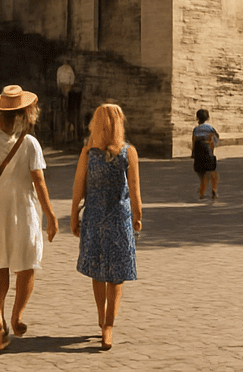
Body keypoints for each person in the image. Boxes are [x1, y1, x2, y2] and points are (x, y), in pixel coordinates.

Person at [0, 85, 59, 353]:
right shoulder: (30, 143)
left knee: (1, 264)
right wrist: (51, 216)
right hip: (24, 209)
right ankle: (17, 315)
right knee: (27, 264)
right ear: (22, 115)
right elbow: (39, 183)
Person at [72, 103, 142, 350]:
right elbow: (134, 189)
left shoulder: (88, 153)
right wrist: (138, 216)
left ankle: (104, 319)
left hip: (95, 216)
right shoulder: (127, 152)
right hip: (117, 218)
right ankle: (108, 324)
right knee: (115, 274)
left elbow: (78, 187)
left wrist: (73, 215)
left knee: (99, 271)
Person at [192, 109, 219, 200]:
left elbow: (194, 141)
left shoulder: (196, 129)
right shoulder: (210, 128)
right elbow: (216, 137)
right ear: (208, 118)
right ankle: (214, 190)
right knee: (213, 172)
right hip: (208, 152)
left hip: (198, 154)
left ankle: (202, 192)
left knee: (201, 173)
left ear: (197, 118)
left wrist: (193, 153)